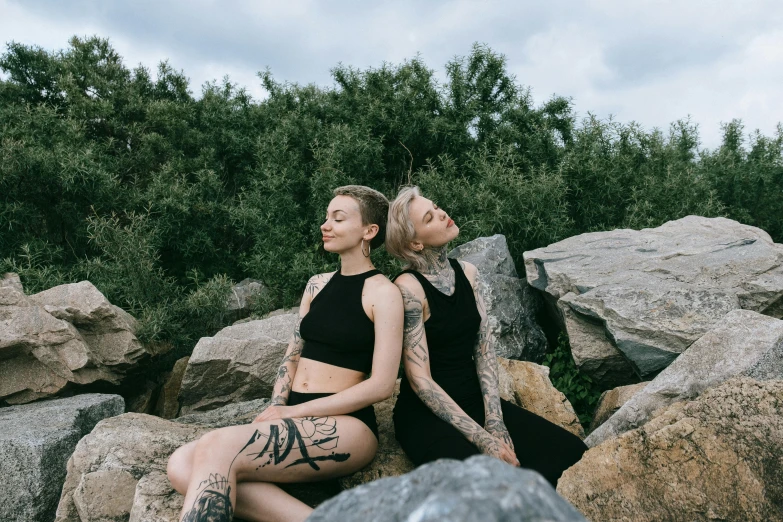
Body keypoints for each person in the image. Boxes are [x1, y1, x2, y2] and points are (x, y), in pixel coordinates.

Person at [167, 185, 403, 522]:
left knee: (215, 447)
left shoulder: (384, 293)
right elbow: (293, 354)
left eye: (338, 218)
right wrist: (278, 405)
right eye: (326, 217)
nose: (325, 225)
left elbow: (381, 386)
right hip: (293, 412)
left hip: (348, 426)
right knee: (179, 466)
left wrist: (295, 414)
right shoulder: (316, 284)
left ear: (369, 231)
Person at [385, 185, 586, 486]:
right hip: (427, 416)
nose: (442, 214)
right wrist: (483, 440)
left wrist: (495, 420)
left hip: (474, 400)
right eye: (430, 218)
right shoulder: (408, 288)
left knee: (573, 455)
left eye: (436, 207)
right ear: (414, 243)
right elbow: (420, 381)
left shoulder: (467, 272)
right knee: (491, 486)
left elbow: (483, 349)